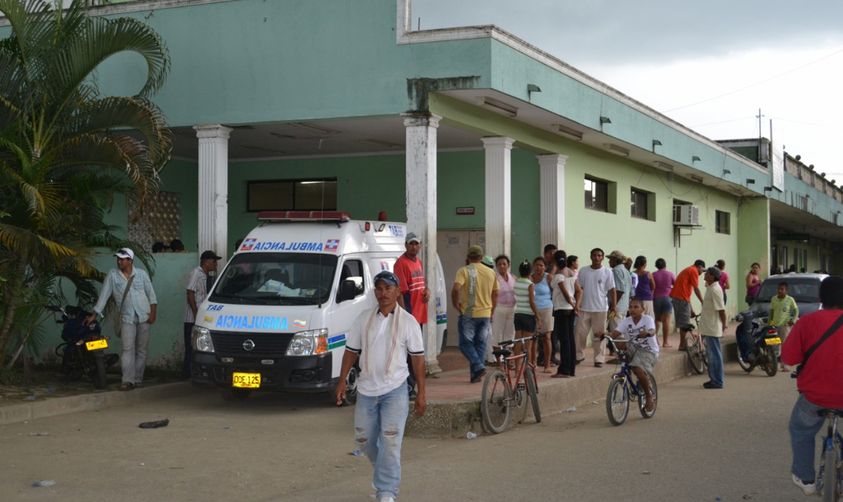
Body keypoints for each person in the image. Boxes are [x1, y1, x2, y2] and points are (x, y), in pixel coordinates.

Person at [335, 271, 426, 502]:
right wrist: (342, 381)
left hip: (395, 390)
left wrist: (422, 393)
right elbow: (351, 351)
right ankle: (384, 474)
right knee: (364, 441)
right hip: (366, 390)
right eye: (379, 288)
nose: (383, 293)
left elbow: (418, 359)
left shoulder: (408, 322)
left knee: (390, 441)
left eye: (388, 288)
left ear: (397, 291)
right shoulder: (363, 319)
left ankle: (386, 491)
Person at [781, 276, 843, 497]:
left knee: (800, 430)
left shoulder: (807, 322)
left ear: (820, 298)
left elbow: (789, 358)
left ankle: (806, 478)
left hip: (815, 397)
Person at [86, 248, 157, 391]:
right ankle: (127, 380)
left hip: (144, 316)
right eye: (118, 259)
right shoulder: (113, 275)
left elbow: (151, 295)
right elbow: (104, 295)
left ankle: (137, 379)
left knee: (141, 350)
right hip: (126, 317)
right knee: (127, 349)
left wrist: (153, 313)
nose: (119, 261)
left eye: (122, 259)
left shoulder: (141, 274)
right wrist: (94, 314)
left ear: (130, 260)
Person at [451, 245, 499, 383]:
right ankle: (475, 375)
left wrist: (455, 303)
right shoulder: (491, 272)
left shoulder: (464, 271)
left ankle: (478, 365)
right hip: (485, 314)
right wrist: (492, 310)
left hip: (469, 314)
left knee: (465, 344)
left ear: (468, 257)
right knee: (480, 344)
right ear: (481, 257)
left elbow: (456, 289)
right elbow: (496, 293)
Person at [393, 232, 430, 398]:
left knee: (415, 351)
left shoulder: (418, 262)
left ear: (420, 246)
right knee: (408, 353)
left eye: (416, 244)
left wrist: (427, 291)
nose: (414, 247)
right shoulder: (400, 263)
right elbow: (401, 292)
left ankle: (411, 384)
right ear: (405, 245)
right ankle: (408, 386)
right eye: (411, 244)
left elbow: (422, 285)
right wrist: (404, 316)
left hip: (419, 315)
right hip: (409, 314)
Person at [609, 298, 658, 412]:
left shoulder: (647, 319)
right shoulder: (627, 321)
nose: (632, 309)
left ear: (642, 309)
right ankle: (626, 375)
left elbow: (652, 330)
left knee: (637, 368)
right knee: (620, 343)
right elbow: (614, 334)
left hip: (648, 350)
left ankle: (649, 397)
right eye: (630, 307)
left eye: (636, 307)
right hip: (633, 347)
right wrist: (604, 334)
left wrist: (648, 333)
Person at [575, 248, 617, 368]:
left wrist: (614, 306)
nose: (597, 257)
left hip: (601, 309)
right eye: (594, 255)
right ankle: (579, 356)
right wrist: (577, 304)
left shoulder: (607, 272)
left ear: (602, 257)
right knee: (579, 334)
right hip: (584, 308)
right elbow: (579, 289)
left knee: (599, 336)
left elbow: (612, 290)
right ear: (591, 256)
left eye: (599, 255)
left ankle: (599, 358)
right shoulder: (583, 271)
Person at [183, 250, 220, 379]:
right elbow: (190, 293)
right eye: (214, 262)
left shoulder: (206, 276)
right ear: (206, 262)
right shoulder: (196, 273)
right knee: (190, 347)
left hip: (200, 318)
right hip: (192, 318)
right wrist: (195, 313)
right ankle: (186, 374)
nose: (215, 264)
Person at [552, 253, 580, 378]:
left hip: (561, 309)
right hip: (570, 309)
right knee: (570, 339)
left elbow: (565, 294)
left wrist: (573, 304)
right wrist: (576, 305)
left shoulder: (559, 275)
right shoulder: (571, 273)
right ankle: (571, 369)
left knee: (564, 340)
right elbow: (579, 291)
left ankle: (564, 370)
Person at [700, 267, 726, 389]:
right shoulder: (710, 287)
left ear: (712, 276)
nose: (705, 275)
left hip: (713, 327)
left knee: (714, 355)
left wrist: (724, 324)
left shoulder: (715, 289)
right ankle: (714, 379)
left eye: (707, 274)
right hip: (708, 326)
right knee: (712, 355)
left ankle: (717, 381)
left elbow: (721, 310)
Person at [670, 259, 705, 350]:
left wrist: (691, 309)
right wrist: (703, 302)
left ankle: (684, 343)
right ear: (700, 267)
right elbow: (696, 289)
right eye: (703, 270)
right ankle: (682, 345)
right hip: (681, 299)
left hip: (681, 299)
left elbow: (687, 295)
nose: (702, 273)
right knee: (684, 324)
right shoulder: (693, 270)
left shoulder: (689, 270)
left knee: (685, 322)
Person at [488, 255, 516, 364]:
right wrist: (491, 311)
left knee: (509, 335)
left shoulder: (513, 277)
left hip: (512, 309)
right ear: (496, 266)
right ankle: (499, 362)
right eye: (499, 264)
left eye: (504, 264)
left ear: (508, 265)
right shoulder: (495, 279)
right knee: (497, 335)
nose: (502, 266)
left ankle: (507, 361)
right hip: (498, 309)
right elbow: (492, 295)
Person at [513, 260, 541, 365]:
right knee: (527, 345)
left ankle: (517, 369)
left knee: (518, 343)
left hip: (518, 314)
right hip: (528, 316)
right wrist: (538, 317)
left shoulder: (516, 283)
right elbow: (532, 302)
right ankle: (527, 369)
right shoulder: (530, 285)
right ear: (530, 271)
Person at [530, 256, 554, 372]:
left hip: (546, 309)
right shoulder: (530, 278)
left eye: (541, 265)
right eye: (536, 265)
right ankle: (533, 363)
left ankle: (547, 364)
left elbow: (554, 292)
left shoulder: (548, 277)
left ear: (545, 267)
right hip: (532, 310)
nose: (538, 267)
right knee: (533, 338)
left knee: (546, 337)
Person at [769, 282, 798, 371]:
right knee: (773, 345)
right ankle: (773, 364)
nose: (780, 291)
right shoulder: (773, 299)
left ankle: (784, 365)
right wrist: (770, 323)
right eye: (778, 289)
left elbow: (796, 310)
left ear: (786, 290)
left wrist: (793, 320)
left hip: (785, 326)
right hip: (774, 326)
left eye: (782, 289)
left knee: (785, 345)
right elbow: (771, 311)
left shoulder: (790, 299)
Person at [652, 258, 675, 348]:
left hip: (656, 299)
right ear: (665, 265)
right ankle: (665, 342)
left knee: (656, 320)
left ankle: (654, 340)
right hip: (667, 298)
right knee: (666, 321)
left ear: (656, 265)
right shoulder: (670, 274)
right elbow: (676, 285)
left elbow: (651, 286)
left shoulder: (653, 274)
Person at [608, 250, 631, 332]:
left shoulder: (615, 271)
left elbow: (620, 290)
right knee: (621, 329)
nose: (609, 261)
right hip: (624, 307)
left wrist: (613, 306)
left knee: (616, 331)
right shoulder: (626, 271)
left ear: (615, 260)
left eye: (610, 259)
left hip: (616, 308)